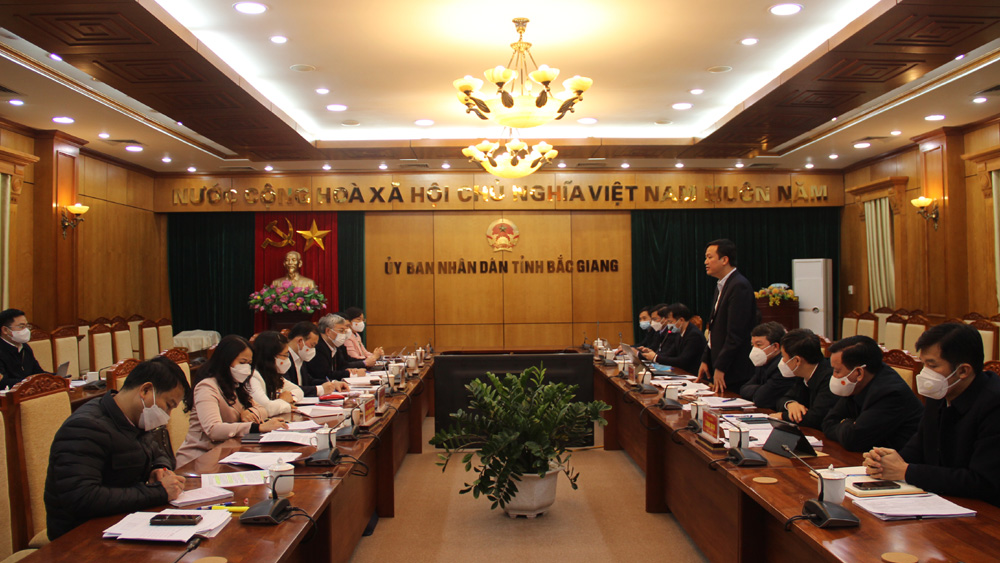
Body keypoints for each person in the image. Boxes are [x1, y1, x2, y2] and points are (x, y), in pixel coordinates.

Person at [44, 357, 191, 540]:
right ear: (145, 390)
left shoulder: (136, 417)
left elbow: (160, 452)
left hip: (123, 521)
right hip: (81, 536)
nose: (167, 415)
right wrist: (158, 492)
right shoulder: (86, 427)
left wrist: (159, 468)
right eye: (168, 405)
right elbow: (82, 497)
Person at [863, 323, 1000, 506]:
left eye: (932, 365)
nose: (924, 373)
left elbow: (983, 482)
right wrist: (884, 462)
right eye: (923, 364)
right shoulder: (941, 392)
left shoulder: (994, 404)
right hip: (942, 499)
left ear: (963, 371)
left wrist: (906, 471)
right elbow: (920, 445)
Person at [176, 335, 288, 466]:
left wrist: (249, 413)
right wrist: (257, 427)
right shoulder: (207, 387)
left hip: (227, 452)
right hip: (200, 458)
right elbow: (213, 429)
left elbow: (262, 409)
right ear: (226, 360)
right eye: (242, 362)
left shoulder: (236, 385)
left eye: (249, 363)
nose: (246, 368)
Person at [822, 335, 923, 452]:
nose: (834, 376)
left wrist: (845, 423)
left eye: (837, 371)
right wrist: (849, 425)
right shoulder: (855, 384)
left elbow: (853, 440)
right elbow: (828, 423)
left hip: (900, 458)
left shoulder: (891, 393)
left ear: (859, 373)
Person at [697, 239, 756, 393]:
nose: (705, 262)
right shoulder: (721, 286)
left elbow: (736, 333)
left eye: (710, 257)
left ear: (724, 260)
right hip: (719, 365)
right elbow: (714, 328)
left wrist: (721, 367)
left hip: (733, 370)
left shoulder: (739, 286)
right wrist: (706, 359)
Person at [769, 328, 838, 429]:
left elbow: (816, 417)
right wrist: (790, 404)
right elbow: (782, 399)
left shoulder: (829, 378)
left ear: (797, 360)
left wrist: (783, 416)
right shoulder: (801, 373)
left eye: (783, 356)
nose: (782, 361)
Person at [739, 322, 794, 410]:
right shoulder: (763, 362)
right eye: (753, 345)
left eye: (759, 345)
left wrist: (760, 389)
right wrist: (762, 388)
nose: (755, 349)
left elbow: (761, 399)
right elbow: (743, 389)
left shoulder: (783, 367)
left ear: (775, 346)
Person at [248, 331, 304, 416]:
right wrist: (283, 401)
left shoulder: (274, 375)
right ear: (270, 356)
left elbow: (299, 391)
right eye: (285, 356)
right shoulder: (253, 376)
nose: (287, 360)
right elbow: (267, 408)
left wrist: (291, 398)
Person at [285, 322, 348, 396]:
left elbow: (309, 381)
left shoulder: (299, 357)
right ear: (300, 341)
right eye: (312, 345)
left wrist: (332, 383)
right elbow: (290, 389)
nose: (313, 349)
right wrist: (320, 389)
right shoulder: (284, 359)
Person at [642, 303, 705, 374]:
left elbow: (682, 361)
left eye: (670, 322)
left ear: (681, 320)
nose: (668, 325)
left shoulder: (694, 335)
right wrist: (653, 354)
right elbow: (670, 353)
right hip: (681, 373)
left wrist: (656, 358)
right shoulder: (679, 333)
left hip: (693, 375)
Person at [307, 314, 367, 382]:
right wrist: (350, 374)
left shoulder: (335, 345)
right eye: (341, 331)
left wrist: (352, 370)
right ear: (328, 331)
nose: (344, 334)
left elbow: (342, 365)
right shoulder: (318, 347)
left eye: (345, 331)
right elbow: (324, 375)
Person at [0, 308, 44, 389]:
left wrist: (58, 377)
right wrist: (31, 382)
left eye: (27, 326)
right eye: (21, 326)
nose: (26, 330)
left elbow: (38, 372)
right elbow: (3, 382)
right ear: (5, 330)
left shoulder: (25, 347)